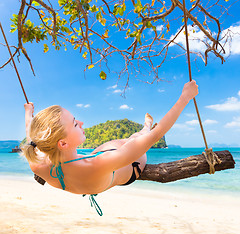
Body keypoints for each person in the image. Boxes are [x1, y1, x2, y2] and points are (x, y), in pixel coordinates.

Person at [22, 80, 198, 214]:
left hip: (97, 164)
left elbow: (33, 135)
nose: (82, 123)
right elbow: (156, 136)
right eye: (75, 124)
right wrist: (185, 97)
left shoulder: (37, 162)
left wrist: (28, 113)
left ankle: (143, 128)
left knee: (117, 144)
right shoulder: (98, 163)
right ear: (63, 143)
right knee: (135, 138)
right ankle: (145, 126)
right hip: (130, 167)